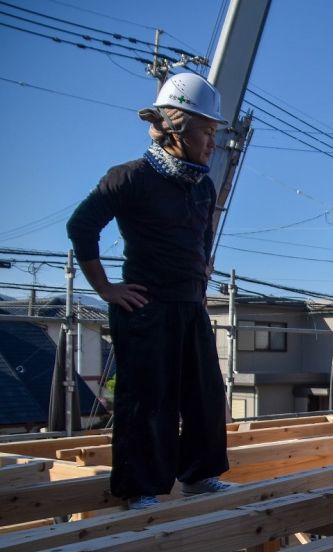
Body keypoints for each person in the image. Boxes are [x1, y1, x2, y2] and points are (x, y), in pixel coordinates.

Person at [66, 72, 233, 510]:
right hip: (146, 306)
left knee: (205, 393)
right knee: (148, 399)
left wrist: (200, 274)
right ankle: (140, 487)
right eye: (207, 132)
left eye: (214, 133)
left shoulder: (202, 184)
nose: (212, 142)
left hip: (188, 303)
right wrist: (105, 288)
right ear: (176, 128)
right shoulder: (131, 177)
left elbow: (203, 240)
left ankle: (197, 475)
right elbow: (81, 227)